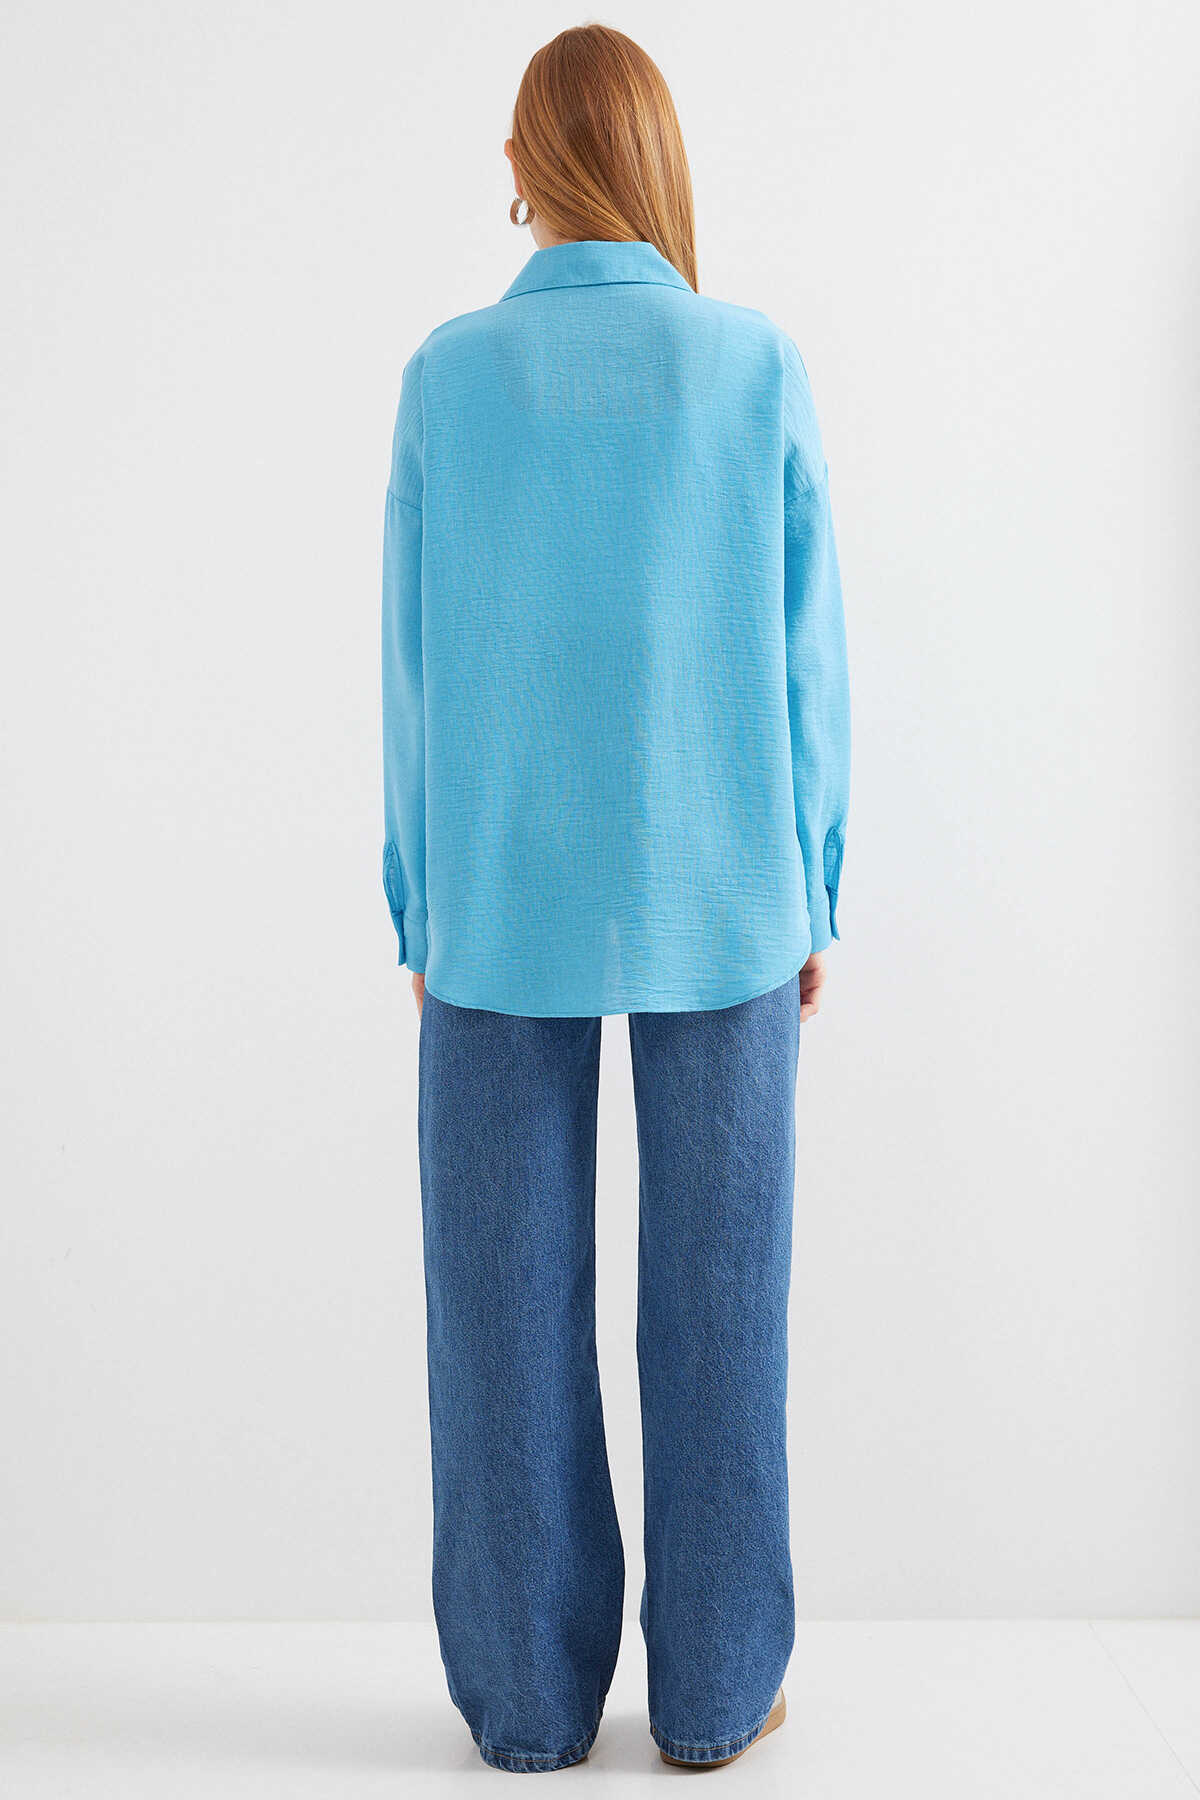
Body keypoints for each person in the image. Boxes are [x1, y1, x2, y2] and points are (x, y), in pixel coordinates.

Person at [381, 23, 850, 1774]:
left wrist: (419, 901)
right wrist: (813, 881)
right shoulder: (753, 366)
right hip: (724, 885)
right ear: (654, 156)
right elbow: (809, 660)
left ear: (525, 165)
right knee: (725, 1298)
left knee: (496, 1306)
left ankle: (525, 1700)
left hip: (499, 895)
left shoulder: (447, 379)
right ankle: (718, 1694)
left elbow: (411, 670)